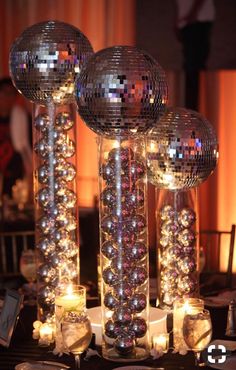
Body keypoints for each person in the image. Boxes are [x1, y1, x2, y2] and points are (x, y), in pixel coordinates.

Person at [175, 0, 215, 110]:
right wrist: (178, 23)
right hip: (187, 22)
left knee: (195, 64)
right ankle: (191, 105)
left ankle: (196, 106)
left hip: (198, 20)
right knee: (190, 64)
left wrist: (192, 15)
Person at [0, 77, 32, 197]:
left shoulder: (22, 119)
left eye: (11, 94)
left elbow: (28, 149)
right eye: (4, 93)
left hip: (16, 177)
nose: (7, 98)